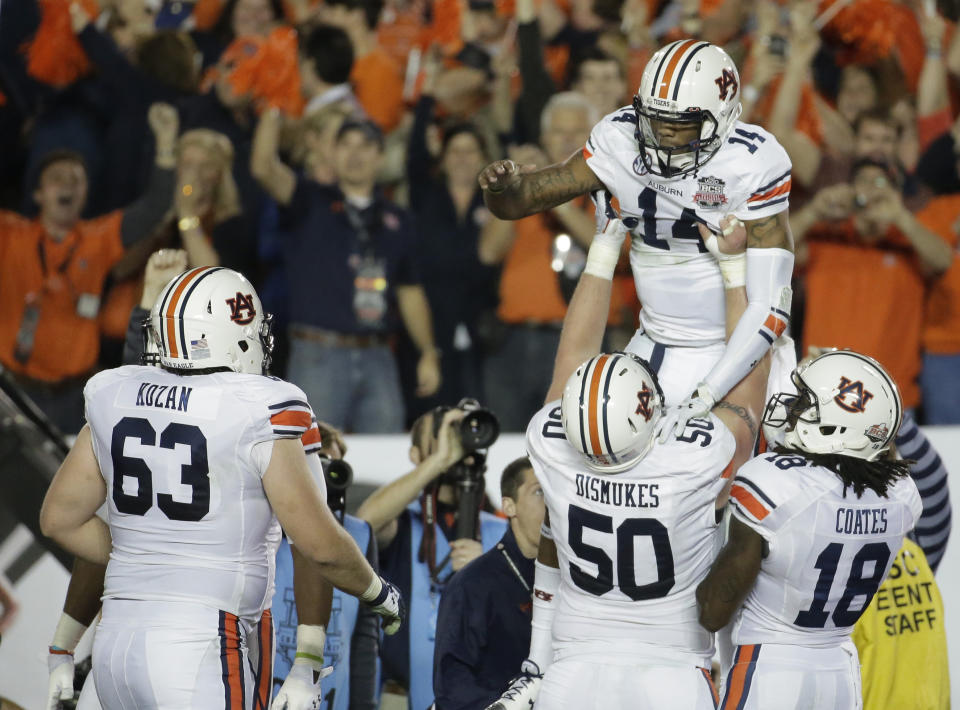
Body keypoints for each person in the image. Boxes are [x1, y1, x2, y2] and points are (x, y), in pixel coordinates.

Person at [38, 266, 403, 709]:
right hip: (200, 647)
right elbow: (317, 545)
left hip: (113, 647)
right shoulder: (261, 406)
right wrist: (378, 592)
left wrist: (149, 553)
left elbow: (59, 520)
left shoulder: (113, 392)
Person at [489, 200, 769, 710]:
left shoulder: (553, 446)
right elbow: (748, 393)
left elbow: (572, 356)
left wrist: (603, 246)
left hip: (573, 668)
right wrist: (733, 270)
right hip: (671, 669)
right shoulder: (689, 461)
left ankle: (533, 665)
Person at [478, 39, 797, 442]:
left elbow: (770, 308)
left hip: (739, 345)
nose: (663, 136)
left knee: (753, 475)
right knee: (588, 447)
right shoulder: (619, 136)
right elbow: (520, 202)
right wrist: (502, 188)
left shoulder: (753, 162)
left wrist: (711, 390)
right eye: (655, 120)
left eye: (681, 125)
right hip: (652, 343)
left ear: (725, 118)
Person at [696, 350, 922, 709]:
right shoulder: (901, 495)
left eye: (805, 403)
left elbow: (713, 612)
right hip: (840, 670)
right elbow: (874, 458)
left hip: (771, 668)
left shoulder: (773, 482)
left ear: (836, 427)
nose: (793, 408)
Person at [252, 110, 441, 432]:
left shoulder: (398, 220)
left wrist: (427, 352)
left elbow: (410, 291)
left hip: (378, 354)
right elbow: (263, 168)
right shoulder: (308, 200)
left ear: (380, 156)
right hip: (318, 353)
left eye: (365, 145)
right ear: (332, 154)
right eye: (346, 145)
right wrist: (273, 109)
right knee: (314, 457)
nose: (355, 155)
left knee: (384, 459)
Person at [0, 102, 178, 434]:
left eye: (76, 180)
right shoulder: (10, 235)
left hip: (73, 398)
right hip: (12, 390)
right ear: (38, 193)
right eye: (56, 178)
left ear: (86, 194)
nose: (67, 185)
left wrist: (166, 142)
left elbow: (154, 206)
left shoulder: (97, 239)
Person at [357, 405, 507, 710]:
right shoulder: (403, 523)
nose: (454, 443)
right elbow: (365, 525)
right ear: (415, 455)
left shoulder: (503, 530)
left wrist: (486, 574)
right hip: (402, 698)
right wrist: (438, 461)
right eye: (442, 435)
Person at [272, 422, 381, 710]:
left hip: (334, 691)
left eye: (332, 467)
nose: (320, 476)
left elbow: (364, 635)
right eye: (313, 464)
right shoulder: (265, 525)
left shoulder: (359, 534)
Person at [433, 457, 544, 710]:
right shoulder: (473, 583)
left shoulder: (576, 577)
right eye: (539, 491)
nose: (551, 502)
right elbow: (451, 686)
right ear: (509, 505)